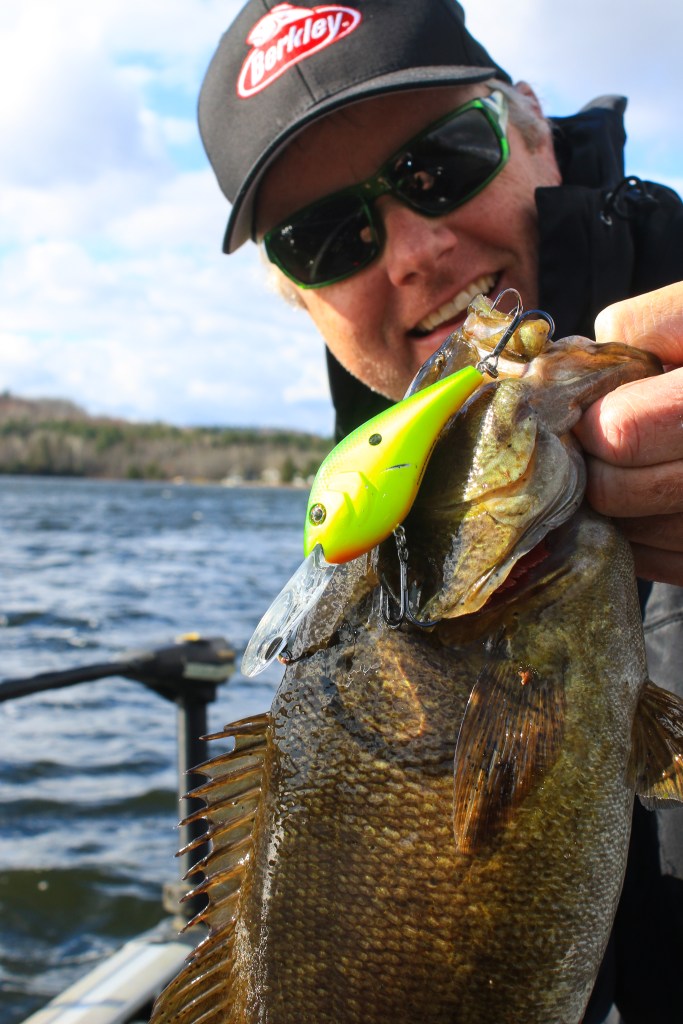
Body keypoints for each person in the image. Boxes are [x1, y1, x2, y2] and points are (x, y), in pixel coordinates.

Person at [197, 2, 683, 1020]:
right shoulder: (353, 556)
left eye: (441, 161)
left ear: (534, 126)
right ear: (296, 295)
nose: (413, 248)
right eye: (324, 234)